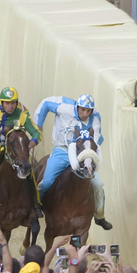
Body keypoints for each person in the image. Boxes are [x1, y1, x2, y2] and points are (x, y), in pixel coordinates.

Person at [34, 93, 111, 229]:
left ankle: (100, 215)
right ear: (77, 107)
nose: (85, 113)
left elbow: (96, 141)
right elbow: (45, 103)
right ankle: (36, 205)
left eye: (88, 111)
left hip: (82, 154)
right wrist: (38, 126)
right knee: (46, 181)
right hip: (62, 151)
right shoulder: (64, 106)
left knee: (98, 185)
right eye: (82, 109)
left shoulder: (95, 117)